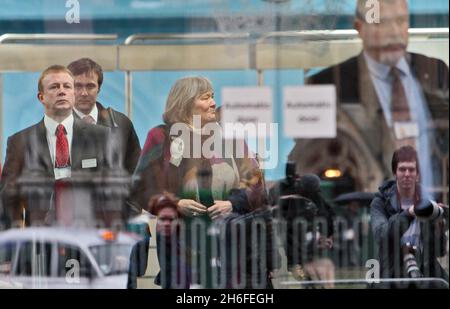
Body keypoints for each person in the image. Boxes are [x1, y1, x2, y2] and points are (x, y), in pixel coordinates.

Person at [293, 0, 448, 193]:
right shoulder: (326, 84)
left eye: (401, 21)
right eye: (381, 22)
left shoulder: (436, 72)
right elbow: (307, 165)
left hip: (433, 217)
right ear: (359, 27)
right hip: (363, 216)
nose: (393, 32)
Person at [129, 76, 266, 288]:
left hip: (230, 241)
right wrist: (174, 204)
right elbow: (141, 187)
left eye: (212, 97)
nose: (213, 103)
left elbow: (255, 180)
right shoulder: (161, 136)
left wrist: (232, 203)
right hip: (179, 247)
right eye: (205, 98)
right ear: (186, 102)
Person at [0, 65, 115, 228]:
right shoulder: (19, 142)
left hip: (89, 237)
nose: (62, 91)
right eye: (54, 87)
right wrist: (16, 240)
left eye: (67, 86)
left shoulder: (102, 137)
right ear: (41, 97)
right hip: (39, 240)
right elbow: (9, 199)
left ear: (74, 94)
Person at [370, 146, 448, 288]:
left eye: (411, 169)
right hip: (391, 271)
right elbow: (380, 235)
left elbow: (440, 251)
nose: (407, 174)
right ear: (395, 172)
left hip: (425, 270)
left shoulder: (429, 202)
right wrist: (410, 213)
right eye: (402, 169)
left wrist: (439, 228)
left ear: (417, 173)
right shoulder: (380, 202)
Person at [67, 58, 141, 176]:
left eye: (90, 86)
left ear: (99, 89)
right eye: (78, 86)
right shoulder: (57, 127)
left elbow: (136, 170)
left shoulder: (121, 123)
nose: (84, 93)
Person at [127, 192, 189, 289]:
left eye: (171, 219)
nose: (167, 223)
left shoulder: (181, 250)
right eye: (163, 219)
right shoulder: (142, 248)